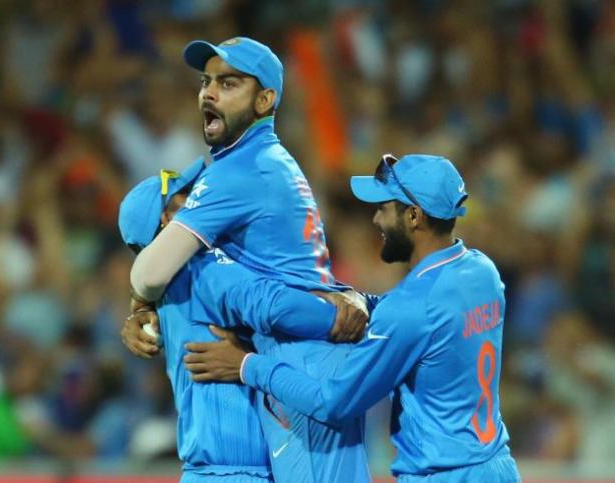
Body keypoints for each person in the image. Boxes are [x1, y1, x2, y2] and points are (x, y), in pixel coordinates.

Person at [185, 154, 523, 482]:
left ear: (414, 216)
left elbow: (333, 403)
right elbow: (421, 313)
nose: (376, 221)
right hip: (497, 467)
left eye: (383, 209)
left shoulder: (410, 310)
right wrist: (360, 299)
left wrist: (247, 365)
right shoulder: (483, 273)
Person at [126, 37, 371, 482]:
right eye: (207, 81)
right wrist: (349, 311)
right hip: (290, 383)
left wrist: (144, 302)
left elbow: (149, 274)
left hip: (297, 374)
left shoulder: (241, 170)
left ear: (265, 99)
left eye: (228, 82)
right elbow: (151, 273)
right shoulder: (261, 166)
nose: (209, 92)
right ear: (164, 221)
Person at [119, 167, 366, 482]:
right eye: (188, 197)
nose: (201, 200)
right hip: (234, 471)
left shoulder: (177, 283)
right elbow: (273, 306)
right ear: (168, 220)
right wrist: (346, 320)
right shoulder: (202, 268)